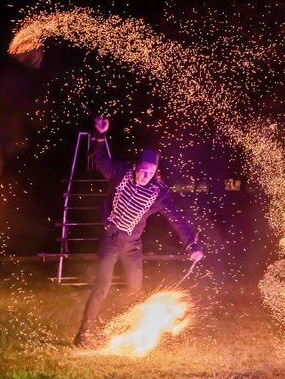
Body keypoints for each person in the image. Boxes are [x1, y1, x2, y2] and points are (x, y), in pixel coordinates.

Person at [74, 115, 204, 347]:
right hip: (110, 240)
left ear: (155, 171)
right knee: (102, 286)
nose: (144, 176)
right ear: (135, 167)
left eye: (150, 172)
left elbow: (177, 220)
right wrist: (100, 136)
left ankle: (129, 331)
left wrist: (192, 244)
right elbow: (100, 158)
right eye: (142, 171)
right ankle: (83, 333)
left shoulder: (159, 193)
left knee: (135, 289)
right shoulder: (120, 173)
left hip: (132, 245)